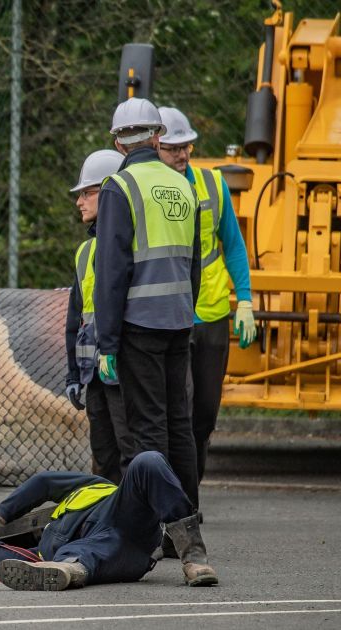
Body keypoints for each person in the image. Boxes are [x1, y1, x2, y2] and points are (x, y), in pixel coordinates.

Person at [93, 97, 202, 509]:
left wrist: (107, 342)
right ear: (158, 136)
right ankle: (186, 521)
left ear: (119, 144)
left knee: (149, 429)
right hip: (179, 321)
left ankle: (160, 524)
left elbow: (111, 273)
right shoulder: (184, 186)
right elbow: (194, 264)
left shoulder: (118, 188)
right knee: (180, 424)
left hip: (138, 326)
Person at [157, 106, 257, 482]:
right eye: (172, 148)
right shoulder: (146, 192)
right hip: (169, 316)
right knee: (176, 409)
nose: (182, 155)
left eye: (186, 147)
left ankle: (190, 487)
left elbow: (232, 245)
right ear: (155, 147)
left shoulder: (213, 185)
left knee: (203, 414)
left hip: (212, 314)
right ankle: (177, 496)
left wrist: (244, 300)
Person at [0, 451, 218, 590]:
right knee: (87, 550)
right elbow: (12, 560)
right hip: (102, 549)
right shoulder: (41, 551)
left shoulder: (98, 485)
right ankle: (71, 570)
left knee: (148, 461)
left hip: (125, 520)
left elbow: (43, 482)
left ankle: (194, 557)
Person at [64, 149, 128, 483]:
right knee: (102, 454)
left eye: (87, 193)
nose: (79, 201)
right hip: (95, 375)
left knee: (128, 448)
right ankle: (107, 524)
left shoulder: (129, 244)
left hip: (122, 370)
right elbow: (76, 318)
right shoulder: (86, 250)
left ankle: (136, 523)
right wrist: (74, 374)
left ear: (109, 192)